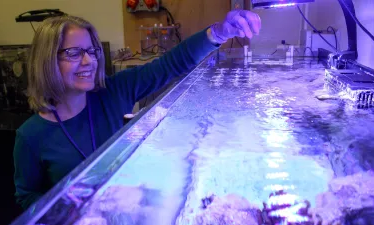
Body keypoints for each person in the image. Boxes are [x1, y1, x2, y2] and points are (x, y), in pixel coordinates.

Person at [13, 10, 262, 210]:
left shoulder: (116, 90)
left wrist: (218, 33)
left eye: (92, 51)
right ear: (46, 60)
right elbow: (26, 199)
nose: (89, 61)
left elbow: (170, 65)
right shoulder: (31, 136)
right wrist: (67, 204)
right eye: (74, 53)